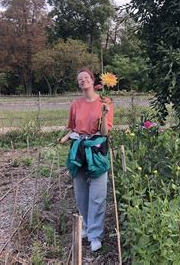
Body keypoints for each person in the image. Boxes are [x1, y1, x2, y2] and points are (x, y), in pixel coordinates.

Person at [59, 68, 113, 252]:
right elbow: (74, 129)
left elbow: (105, 133)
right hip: (79, 150)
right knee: (81, 192)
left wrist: (104, 115)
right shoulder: (75, 105)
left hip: (97, 150)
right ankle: (88, 227)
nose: (83, 81)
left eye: (86, 78)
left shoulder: (105, 102)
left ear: (92, 80)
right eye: (80, 79)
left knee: (97, 194)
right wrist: (65, 138)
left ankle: (95, 235)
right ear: (79, 84)